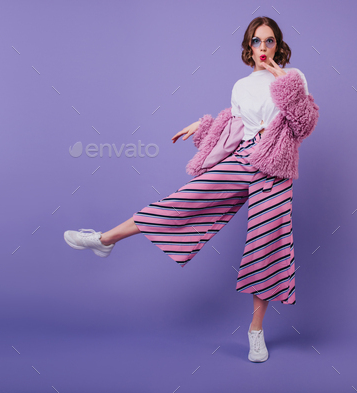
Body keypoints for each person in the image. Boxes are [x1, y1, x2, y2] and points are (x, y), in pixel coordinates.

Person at [64, 16, 319, 363]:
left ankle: (255, 330)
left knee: (266, 244)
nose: (263, 48)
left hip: (274, 169)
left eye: (269, 41)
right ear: (248, 47)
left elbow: (303, 124)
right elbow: (236, 124)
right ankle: (105, 240)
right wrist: (206, 125)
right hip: (244, 158)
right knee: (182, 201)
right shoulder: (241, 86)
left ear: (279, 45)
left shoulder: (294, 77)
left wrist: (284, 83)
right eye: (257, 42)